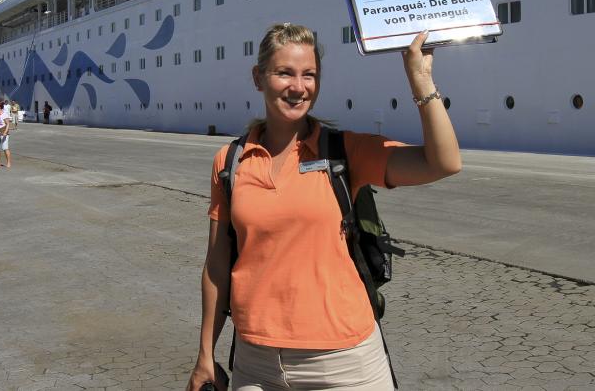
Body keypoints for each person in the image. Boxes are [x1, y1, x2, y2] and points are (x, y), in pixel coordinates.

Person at [186, 24, 461, 391]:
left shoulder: (345, 151)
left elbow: (442, 163)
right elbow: (218, 265)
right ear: (258, 77)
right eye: (284, 72)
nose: (298, 87)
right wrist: (205, 353)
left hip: (343, 362)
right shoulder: (230, 161)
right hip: (256, 362)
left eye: (309, 75)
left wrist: (421, 80)